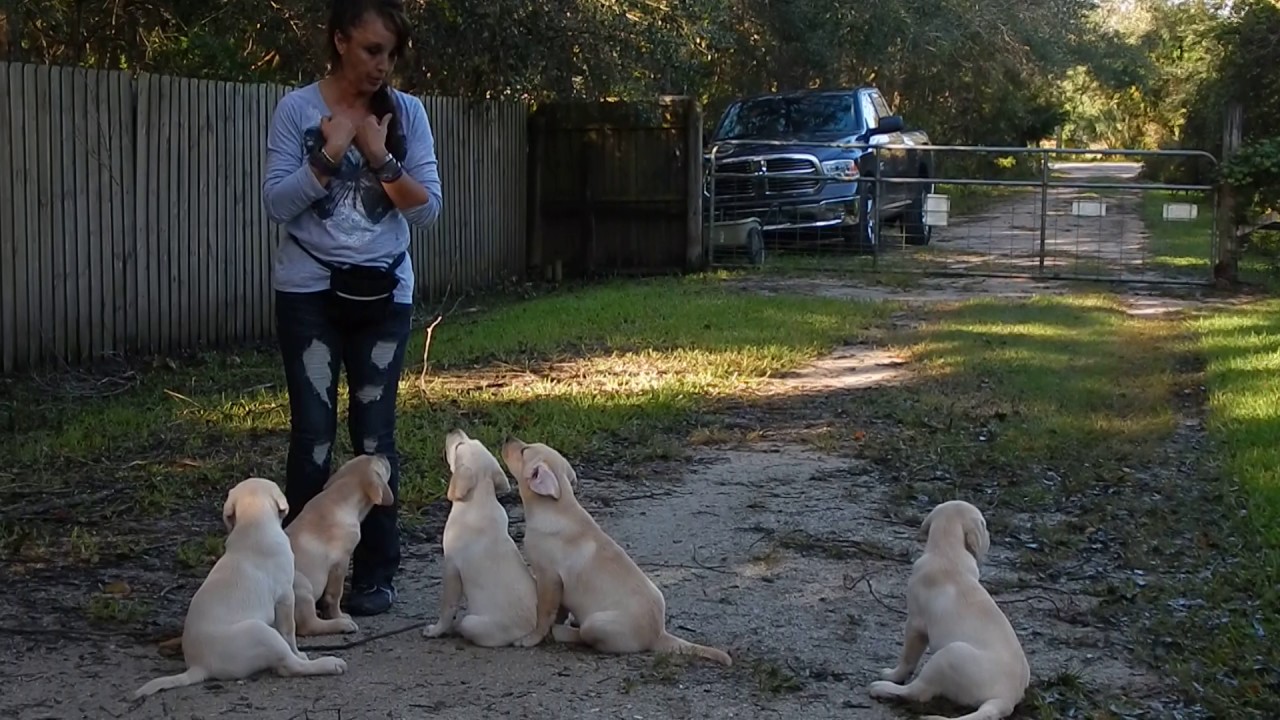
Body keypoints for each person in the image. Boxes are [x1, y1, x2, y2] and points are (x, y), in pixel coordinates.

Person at [261, 0, 441, 616]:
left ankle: (375, 571)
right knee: (312, 434)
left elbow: (426, 208)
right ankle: (294, 572)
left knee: (375, 435)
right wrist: (329, 153)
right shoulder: (296, 110)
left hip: (385, 295)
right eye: (370, 50)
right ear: (339, 42)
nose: (381, 65)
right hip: (308, 293)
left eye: (390, 54)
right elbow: (278, 203)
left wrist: (380, 156)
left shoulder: (408, 113)